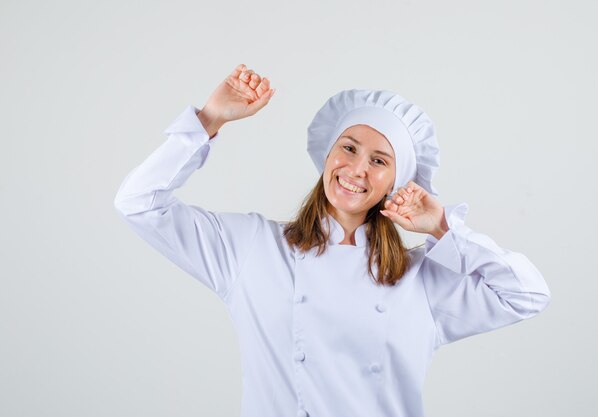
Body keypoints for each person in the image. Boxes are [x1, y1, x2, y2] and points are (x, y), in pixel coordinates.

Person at [114, 63, 551, 417]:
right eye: (348, 147)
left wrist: (442, 228)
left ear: (395, 184)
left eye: (379, 160)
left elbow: (526, 294)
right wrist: (209, 120)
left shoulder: (419, 279)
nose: (357, 168)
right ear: (328, 155)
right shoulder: (251, 248)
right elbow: (138, 203)